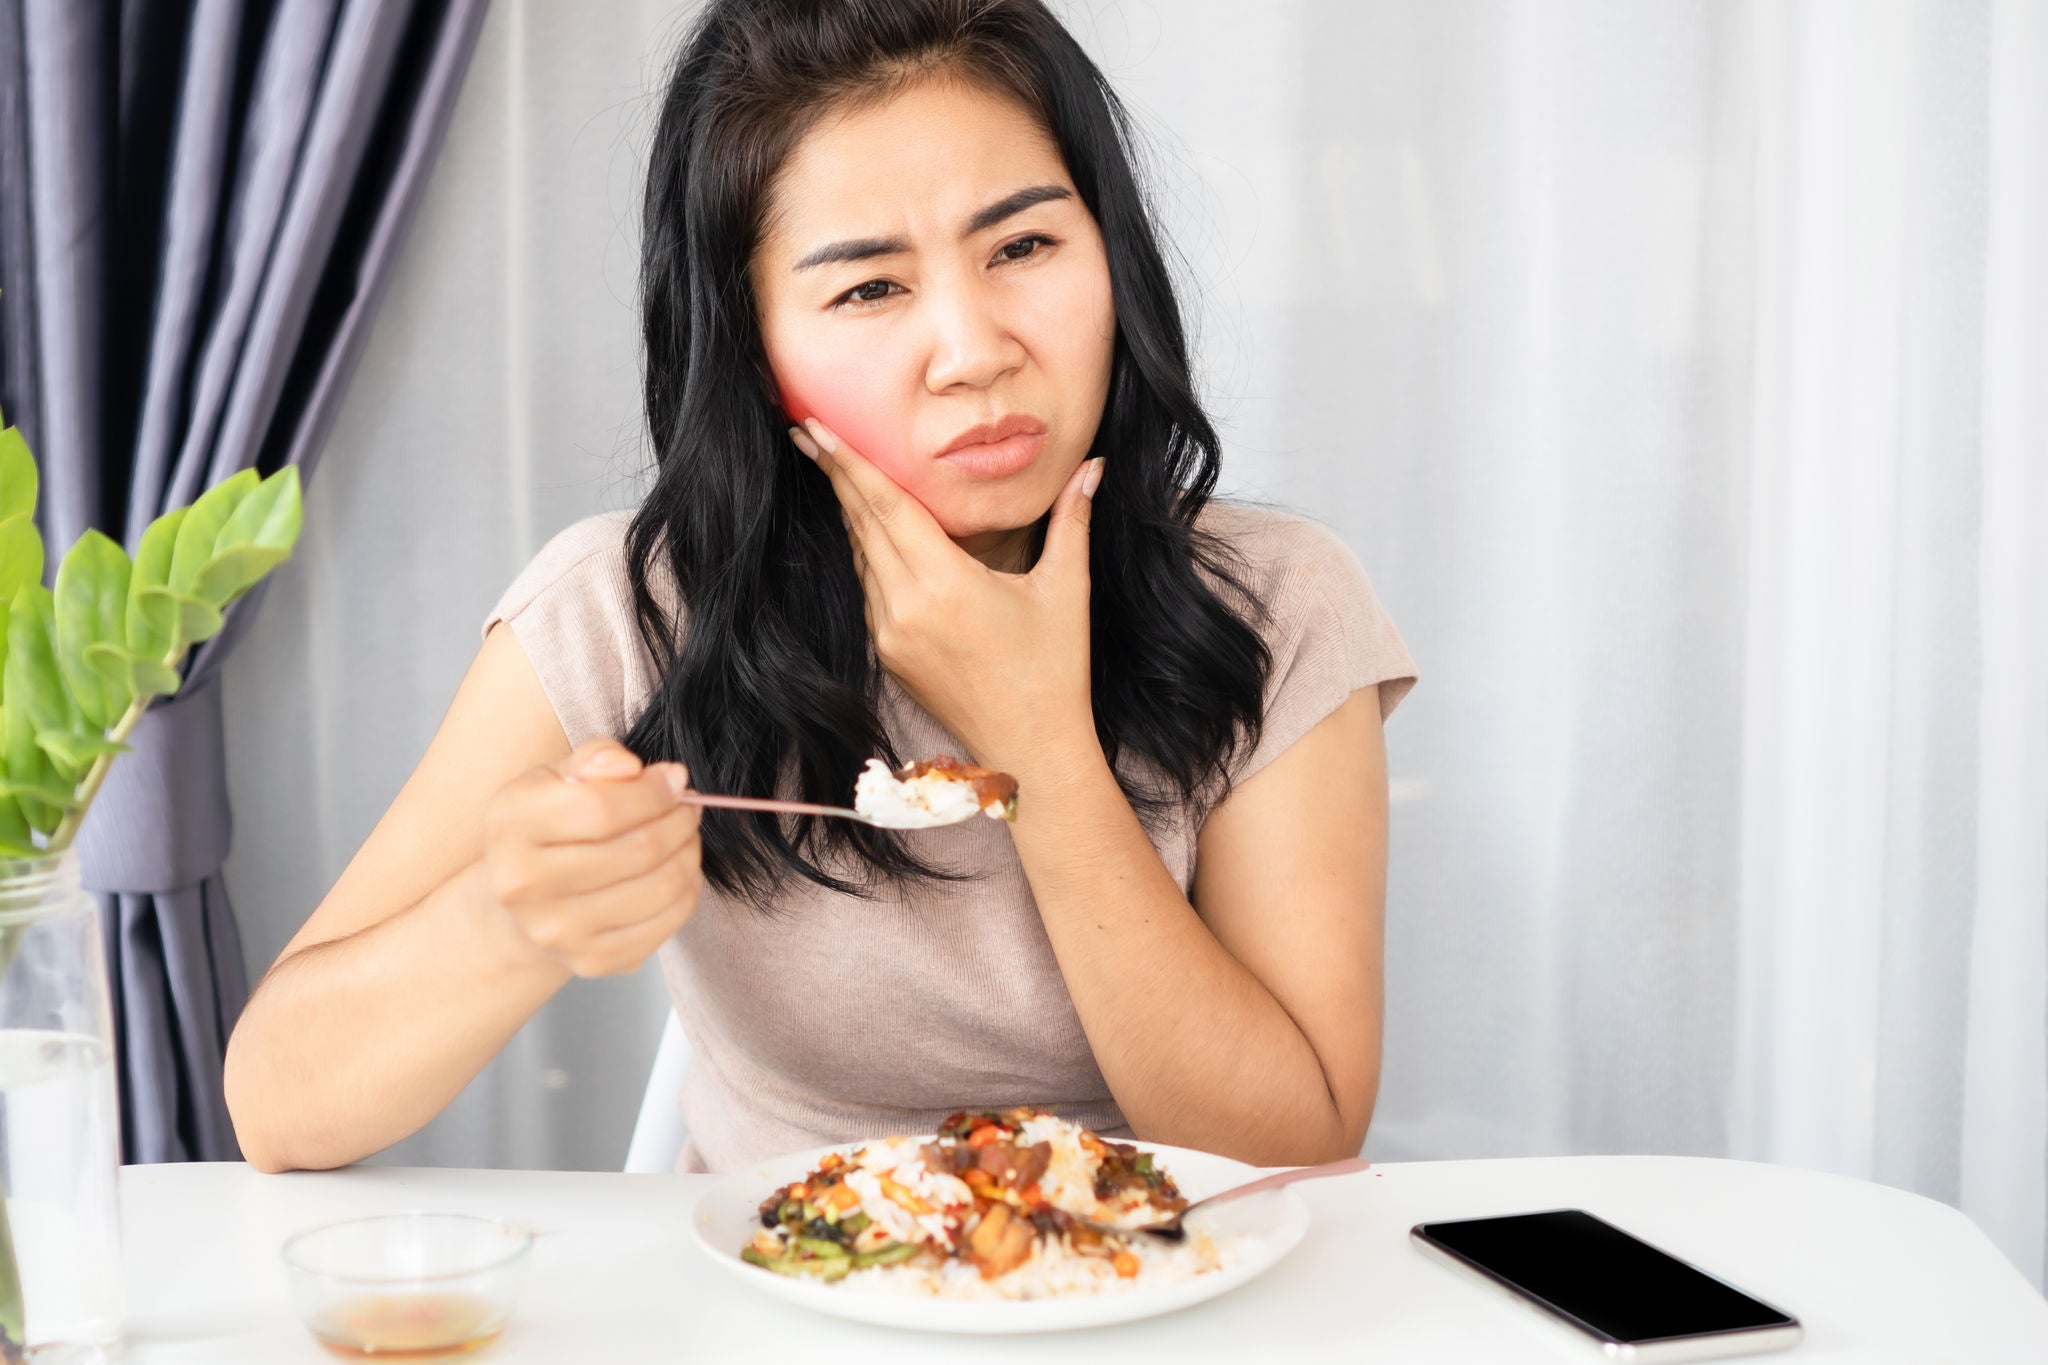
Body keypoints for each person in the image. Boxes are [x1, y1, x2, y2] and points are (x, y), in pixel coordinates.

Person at [224, 0, 1416, 1175]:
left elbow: (1292, 1145)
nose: (974, 351)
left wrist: (1039, 747)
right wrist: (508, 917)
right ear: (754, 350)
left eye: (1023, 246)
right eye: (867, 290)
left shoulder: (1273, 601)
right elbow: (280, 1109)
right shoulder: (630, 611)